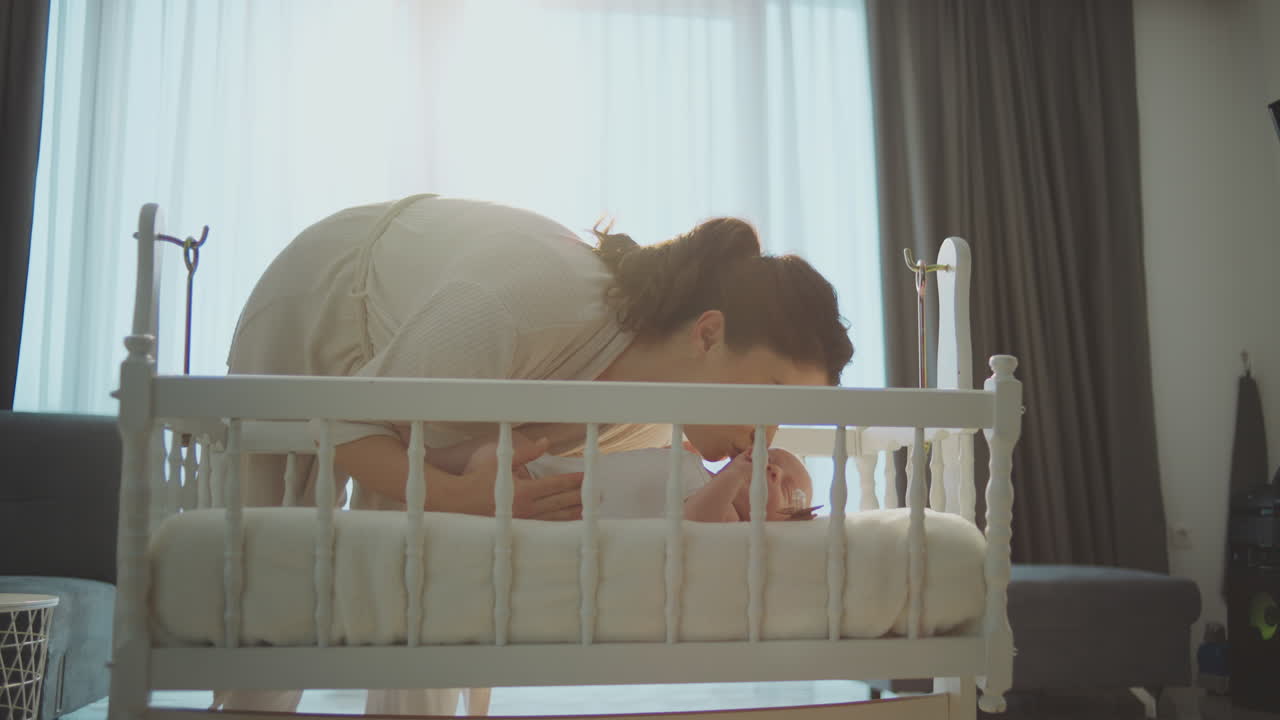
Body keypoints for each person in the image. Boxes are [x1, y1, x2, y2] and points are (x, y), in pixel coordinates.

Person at [218, 194, 852, 715]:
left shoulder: (657, 417)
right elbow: (340, 418)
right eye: (766, 396)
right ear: (708, 334)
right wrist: (453, 492)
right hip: (323, 299)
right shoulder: (524, 309)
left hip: (437, 364)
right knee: (272, 585)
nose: (766, 435)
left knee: (425, 590)